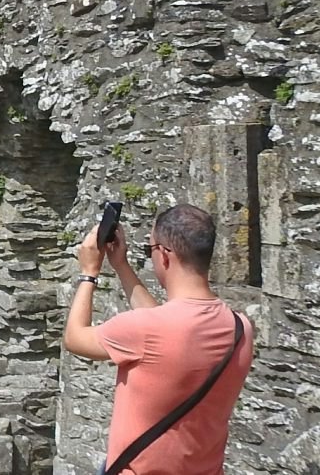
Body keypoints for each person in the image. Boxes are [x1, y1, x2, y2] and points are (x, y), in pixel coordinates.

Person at [62, 203, 255, 475]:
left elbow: (75, 337)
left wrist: (89, 272)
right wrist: (121, 266)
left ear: (164, 255)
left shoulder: (147, 330)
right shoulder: (240, 328)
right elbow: (165, 328)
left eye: (150, 249)